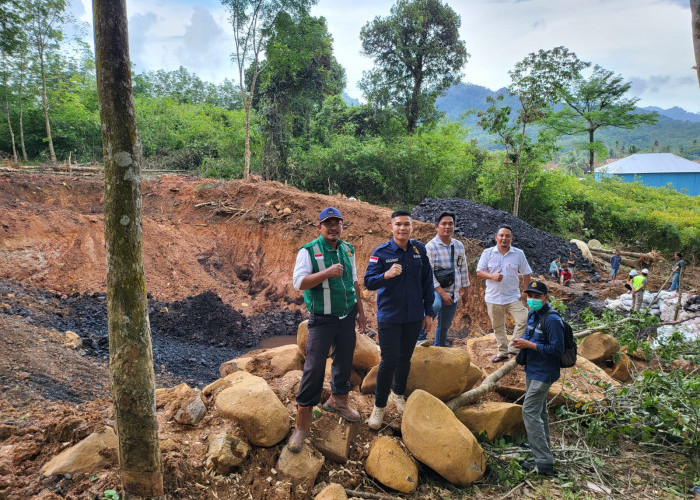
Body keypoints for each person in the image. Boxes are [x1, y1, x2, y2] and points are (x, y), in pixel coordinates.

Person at [288, 207, 367, 453]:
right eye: (328, 223)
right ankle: (302, 425)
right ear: (319, 227)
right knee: (313, 367)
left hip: (347, 316)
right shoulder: (309, 250)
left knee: (344, 360)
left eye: (337, 223)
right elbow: (299, 283)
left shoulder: (347, 249)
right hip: (322, 319)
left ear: (342, 226)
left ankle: (338, 401)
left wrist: (361, 312)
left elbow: (354, 281)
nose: (333, 227)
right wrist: (327, 273)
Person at [364, 210, 434, 429]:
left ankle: (398, 394)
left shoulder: (418, 249)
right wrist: (386, 275)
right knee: (388, 361)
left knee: (405, 358)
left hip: (413, 315)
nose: (402, 228)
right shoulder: (381, 252)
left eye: (406, 224)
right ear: (391, 227)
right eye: (398, 225)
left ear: (411, 227)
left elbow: (427, 281)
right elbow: (368, 281)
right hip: (390, 317)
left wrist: (429, 311)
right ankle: (379, 406)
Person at [512, 280, 564, 477]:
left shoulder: (552, 320)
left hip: (544, 372)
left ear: (546, 298)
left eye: (537, 296)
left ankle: (543, 461)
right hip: (532, 369)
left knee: (529, 411)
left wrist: (529, 345)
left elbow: (556, 350)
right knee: (540, 411)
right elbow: (531, 338)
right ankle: (543, 447)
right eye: (530, 296)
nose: (532, 299)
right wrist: (522, 344)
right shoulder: (533, 314)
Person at [476, 224, 532, 363]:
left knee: (524, 319)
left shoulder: (518, 254)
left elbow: (527, 273)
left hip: (513, 296)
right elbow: (479, 271)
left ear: (512, 238)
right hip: (493, 297)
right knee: (498, 326)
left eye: (507, 236)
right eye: (501, 235)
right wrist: (492, 276)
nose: (504, 238)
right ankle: (503, 352)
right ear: (496, 238)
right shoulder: (488, 253)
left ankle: (513, 348)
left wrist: (526, 292)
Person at [415, 211, 470, 347]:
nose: (447, 227)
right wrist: (442, 293)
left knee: (444, 325)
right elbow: (428, 274)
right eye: (443, 224)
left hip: (453, 291)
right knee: (435, 305)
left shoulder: (458, 245)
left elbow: (463, 268)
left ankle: (439, 349)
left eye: (450, 224)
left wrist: (466, 291)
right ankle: (419, 338)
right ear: (436, 227)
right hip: (434, 289)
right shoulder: (431, 247)